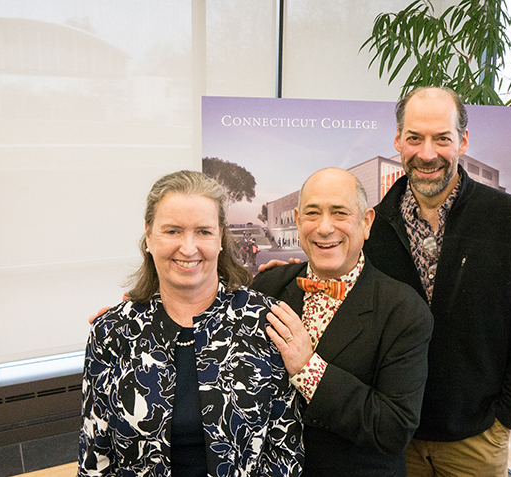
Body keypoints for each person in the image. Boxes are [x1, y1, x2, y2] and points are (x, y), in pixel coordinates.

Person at [362, 86, 511, 476]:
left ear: (462, 141)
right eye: (415, 138)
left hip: (478, 438)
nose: (427, 153)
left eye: (442, 138)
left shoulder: (509, 219)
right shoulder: (373, 228)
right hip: (396, 439)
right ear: (398, 140)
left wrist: (507, 418)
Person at [78, 170, 304, 477]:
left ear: (221, 238)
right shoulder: (111, 333)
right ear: (149, 236)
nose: (188, 248)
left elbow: (285, 451)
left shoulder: (265, 323)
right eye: (172, 231)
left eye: (203, 231)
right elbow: (96, 457)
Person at [254, 167, 434, 476]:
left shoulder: (404, 311)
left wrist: (307, 368)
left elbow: (393, 428)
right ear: (297, 221)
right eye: (312, 214)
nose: (325, 228)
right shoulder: (267, 288)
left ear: (366, 223)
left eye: (340, 213)